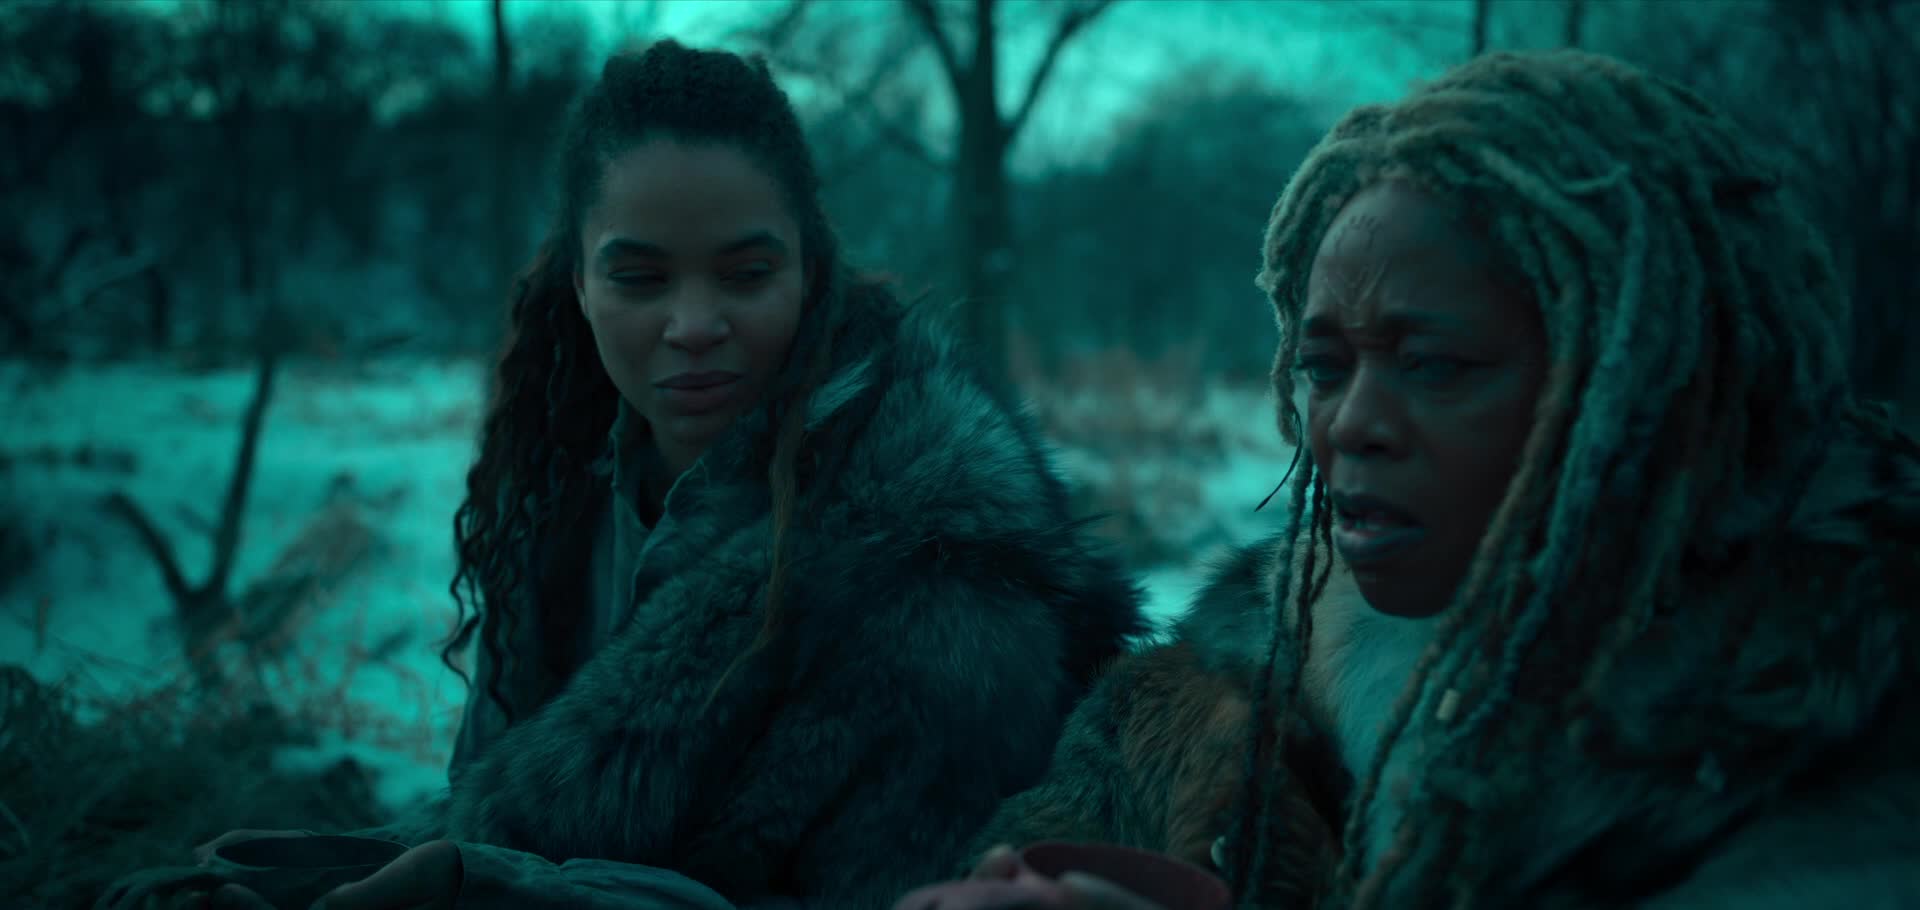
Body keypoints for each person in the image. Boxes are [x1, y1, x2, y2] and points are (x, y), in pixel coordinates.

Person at [108, 39, 1147, 910]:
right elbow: (504, 815)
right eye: (641, 278)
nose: (693, 325)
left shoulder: (942, 565)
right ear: (579, 281)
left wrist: (481, 888)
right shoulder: (559, 502)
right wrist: (314, 873)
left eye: (746, 274)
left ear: (809, 272)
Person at [922, 48, 1920, 909]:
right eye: (1324, 367)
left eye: (1435, 365)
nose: (1351, 425)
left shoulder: (1843, 758)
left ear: (1647, 381)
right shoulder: (1223, 694)